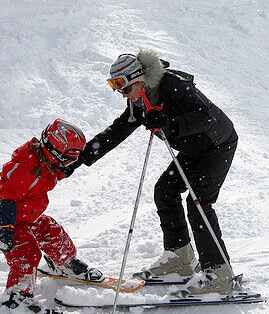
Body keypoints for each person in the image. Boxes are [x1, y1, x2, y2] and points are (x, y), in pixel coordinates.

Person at [73, 50, 238, 295]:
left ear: (138, 78)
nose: (122, 93)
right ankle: (180, 257)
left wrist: (169, 123)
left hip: (216, 144)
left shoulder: (172, 86)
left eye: (123, 86)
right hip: (193, 148)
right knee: (165, 190)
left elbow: (206, 118)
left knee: (199, 202)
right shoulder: (138, 101)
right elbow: (118, 130)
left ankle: (220, 273)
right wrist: (81, 157)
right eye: (115, 87)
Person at [0, 119, 102, 314]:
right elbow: (5, 198)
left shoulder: (47, 161)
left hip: (29, 216)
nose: (72, 161)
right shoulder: (24, 168)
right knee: (26, 252)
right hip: (9, 220)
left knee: (52, 231)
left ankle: (64, 264)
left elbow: (60, 171)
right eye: (69, 156)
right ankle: (17, 298)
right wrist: (5, 230)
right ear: (55, 151)